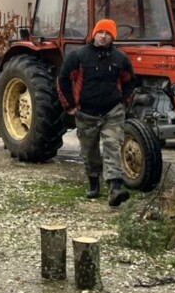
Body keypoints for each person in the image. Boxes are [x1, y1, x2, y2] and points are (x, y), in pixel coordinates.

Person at [57, 18, 136, 207]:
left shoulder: (120, 58)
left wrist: (123, 102)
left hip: (112, 111)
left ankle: (115, 187)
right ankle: (94, 182)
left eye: (108, 33)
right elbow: (63, 80)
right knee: (89, 150)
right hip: (86, 112)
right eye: (100, 32)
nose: (103, 36)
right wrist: (70, 105)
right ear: (94, 34)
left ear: (113, 37)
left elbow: (130, 81)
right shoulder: (79, 57)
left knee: (112, 145)